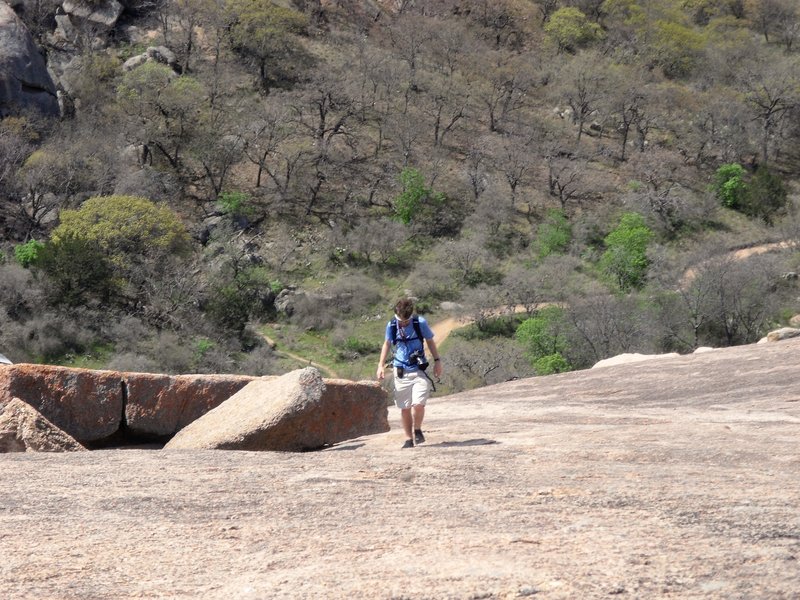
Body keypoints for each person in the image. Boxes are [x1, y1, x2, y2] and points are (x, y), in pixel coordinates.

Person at [376, 297, 443, 448]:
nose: (403, 323)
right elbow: (386, 344)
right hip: (400, 371)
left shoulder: (420, 323)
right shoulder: (392, 325)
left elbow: (430, 341)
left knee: (418, 404)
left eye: (406, 321)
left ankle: (417, 429)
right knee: (404, 407)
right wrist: (380, 365)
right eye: (401, 320)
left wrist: (438, 361)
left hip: (418, 370)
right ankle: (408, 439)